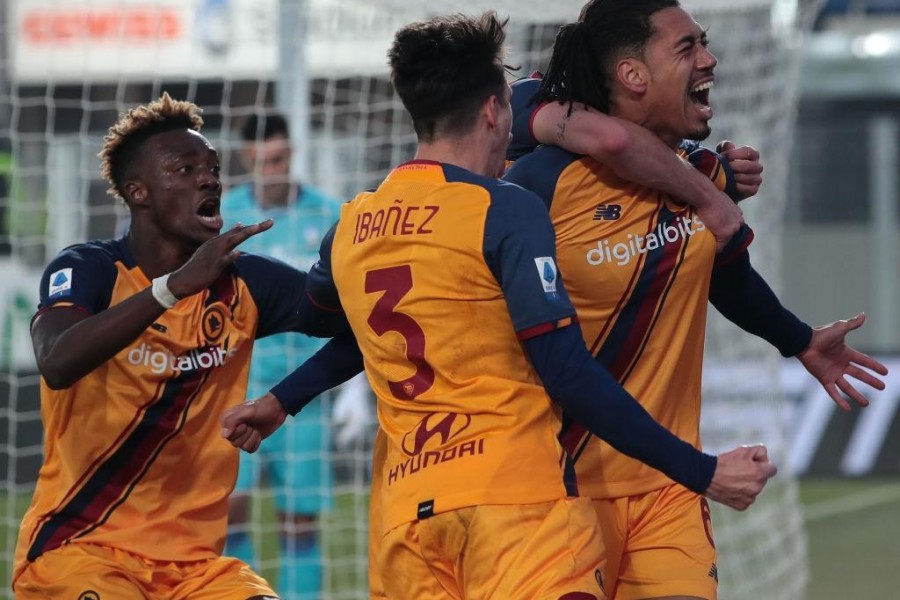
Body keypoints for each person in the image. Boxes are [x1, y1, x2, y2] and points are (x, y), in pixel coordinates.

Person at [221, 12, 779, 599]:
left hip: (405, 520)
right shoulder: (504, 210)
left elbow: (339, 324)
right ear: (494, 110)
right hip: (517, 508)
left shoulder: (354, 224)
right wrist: (703, 471)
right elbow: (565, 371)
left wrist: (282, 398)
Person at [502, 1, 889, 598]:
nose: (709, 60)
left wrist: (799, 340)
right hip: (558, 491)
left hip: (667, 492)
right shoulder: (537, 185)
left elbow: (724, 272)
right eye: (687, 48)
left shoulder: (699, 173)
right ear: (633, 75)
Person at [11, 93, 347, 599]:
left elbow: (367, 328)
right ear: (138, 192)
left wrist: (285, 399)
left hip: (195, 569)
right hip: (81, 550)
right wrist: (172, 287)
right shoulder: (89, 269)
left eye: (211, 168)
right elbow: (57, 360)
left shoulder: (246, 283)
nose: (209, 178)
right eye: (185, 169)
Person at [222, 112, 371, 600]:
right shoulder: (225, 218)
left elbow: (354, 305)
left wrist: (354, 391)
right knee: (228, 514)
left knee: (299, 524)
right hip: (237, 385)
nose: (273, 169)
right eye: (263, 161)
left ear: (292, 154)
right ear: (248, 160)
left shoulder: (329, 215)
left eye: (280, 158)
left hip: (305, 391)